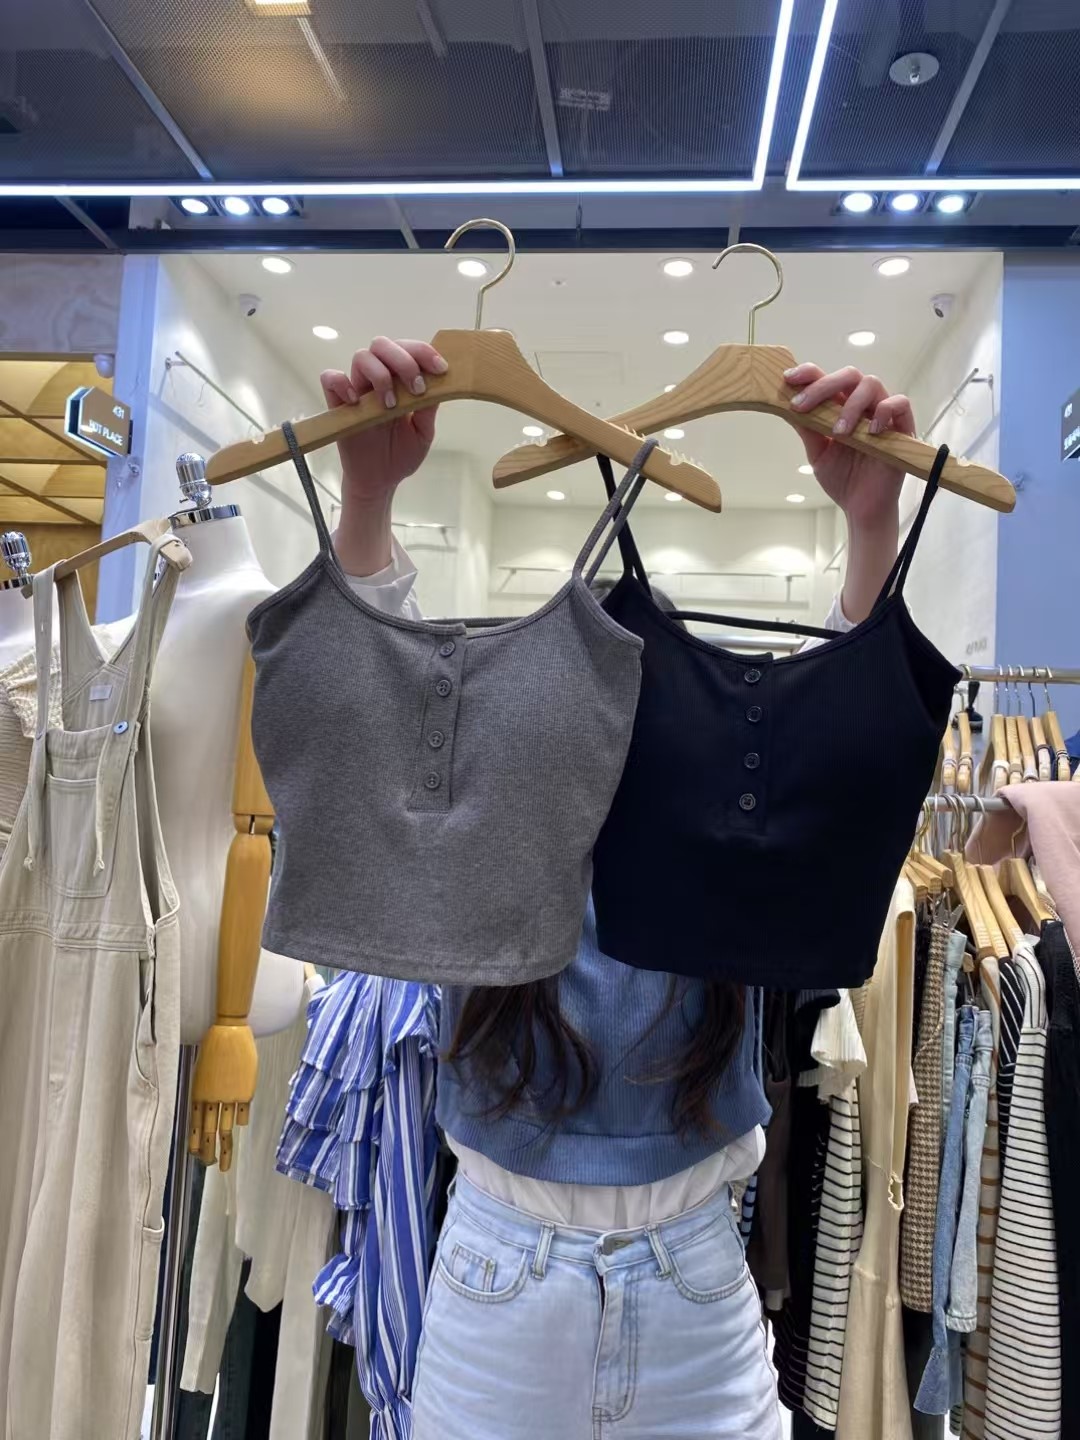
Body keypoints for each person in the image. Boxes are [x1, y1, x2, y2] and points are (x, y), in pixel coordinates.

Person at [324, 336, 917, 1440]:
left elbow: (841, 765)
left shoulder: (722, 851)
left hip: (694, 1283)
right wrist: (366, 499)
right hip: (500, 1283)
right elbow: (373, 712)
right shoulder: (480, 840)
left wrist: (871, 528)